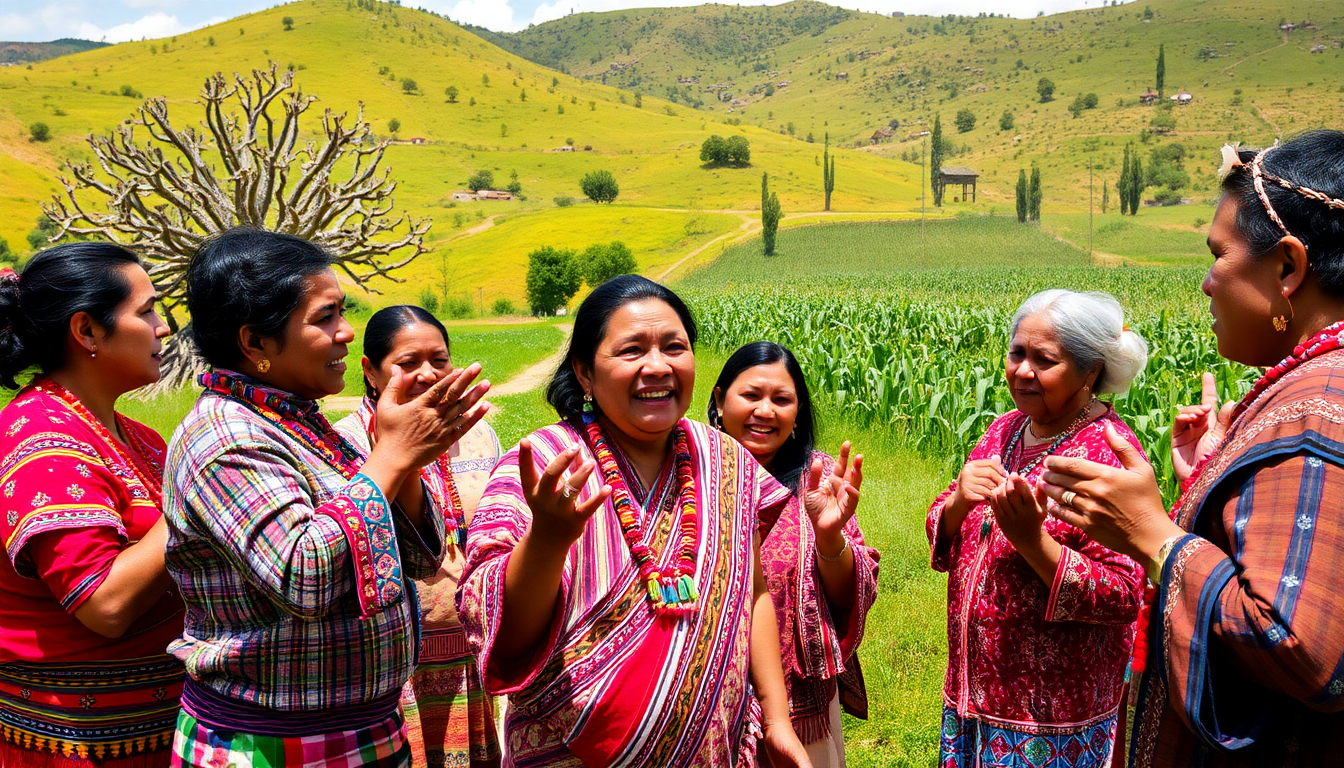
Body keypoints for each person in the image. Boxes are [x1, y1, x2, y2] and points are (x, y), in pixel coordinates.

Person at [1039, 130, 1344, 767]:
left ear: (1287, 267)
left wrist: (1154, 535)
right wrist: (1211, 478)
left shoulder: (1319, 412)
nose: (1207, 283)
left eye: (1218, 254)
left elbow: (1302, 648)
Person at [457, 275, 826, 767]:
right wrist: (546, 540)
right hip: (566, 753)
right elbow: (507, 638)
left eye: (674, 347)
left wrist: (777, 719)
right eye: (632, 350)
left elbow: (753, 590)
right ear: (585, 373)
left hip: (712, 750)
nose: (658, 366)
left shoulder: (726, 460)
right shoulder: (545, 465)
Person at [163, 228, 489, 767]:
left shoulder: (298, 423)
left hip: (359, 735)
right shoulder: (225, 438)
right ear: (256, 343)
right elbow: (304, 575)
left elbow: (413, 557)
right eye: (325, 317)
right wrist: (390, 456)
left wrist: (401, 456)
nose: (347, 332)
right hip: (272, 745)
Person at [927, 289, 1151, 768]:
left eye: (1044, 359)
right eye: (1017, 353)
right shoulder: (1005, 429)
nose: (1023, 371)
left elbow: (1124, 593)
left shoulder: (1106, 455)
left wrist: (1034, 543)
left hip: (1049, 724)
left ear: (1091, 370)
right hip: (974, 695)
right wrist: (960, 499)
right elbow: (946, 521)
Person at [0, 243, 184, 767]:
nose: (162, 327)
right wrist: (205, 495)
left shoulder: (140, 438)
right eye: (146, 310)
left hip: (153, 731)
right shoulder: (42, 444)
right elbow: (104, 606)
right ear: (87, 332)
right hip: (80, 744)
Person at [335, 305, 501, 768]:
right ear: (371, 372)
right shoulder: (344, 442)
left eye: (440, 360)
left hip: (469, 652)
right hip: (395, 664)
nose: (428, 374)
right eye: (407, 364)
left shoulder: (479, 433)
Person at [708, 342, 880, 768]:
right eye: (751, 395)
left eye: (781, 399)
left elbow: (848, 598)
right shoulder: (692, 474)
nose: (765, 411)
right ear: (719, 398)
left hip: (800, 713)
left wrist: (828, 536)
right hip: (704, 707)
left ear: (798, 412)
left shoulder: (819, 479)